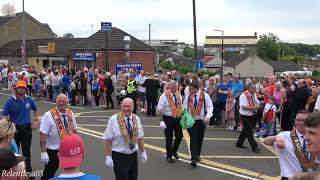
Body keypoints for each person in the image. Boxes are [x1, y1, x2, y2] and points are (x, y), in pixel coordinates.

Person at [263, 110, 318, 179]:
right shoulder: (285, 135)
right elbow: (266, 141)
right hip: (289, 178)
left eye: (304, 120)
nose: (300, 123)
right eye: (298, 120)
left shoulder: (315, 138)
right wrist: (275, 138)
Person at [103, 98, 147, 180]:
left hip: (133, 156)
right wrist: (108, 156)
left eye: (128, 106)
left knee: (133, 178)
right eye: (124, 106)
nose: (126, 108)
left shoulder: (136, 118)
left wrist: (143, 151)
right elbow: (108, 139)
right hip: (119, 156)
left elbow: (140, 137)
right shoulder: (113, 119)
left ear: (133, 107)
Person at [1, 80, 39, 175]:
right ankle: (15, 172)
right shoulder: (10, 101)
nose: (21, 89)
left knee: (26, 151)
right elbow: (4, 115)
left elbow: (36, 109)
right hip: (14, 129)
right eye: (19, 88)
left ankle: (28, 172)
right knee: (14, 151)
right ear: (16, 89)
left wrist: (36, 121)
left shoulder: (29, 99)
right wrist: (7, 127)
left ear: (26, 89)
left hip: (26, 128)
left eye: (23, 88)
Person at [40, 94, 78, 180]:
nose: (61, 103)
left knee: (70, 172)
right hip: (53, 150)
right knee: (49, 173)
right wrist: (43, 152)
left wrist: (78, 146)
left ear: (67, 102)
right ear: (56, 102)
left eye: (63, 101)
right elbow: (43, 134)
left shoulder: (70, 113)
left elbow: (75, 130)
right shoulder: (48, 115)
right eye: (59, 101)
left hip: (68, 149)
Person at [183, 81, 213, 167]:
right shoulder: (188, 96)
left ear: (196, 88)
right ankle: (194, 157)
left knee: (200, 138)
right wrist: (185, 113)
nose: (189, 90)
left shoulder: (204, 96)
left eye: (191, 89)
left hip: (201, 120)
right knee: (193, 138)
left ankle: (198, 154)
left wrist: (208, 116)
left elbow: (210, 107)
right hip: (191, 121)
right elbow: (184, 107)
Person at [157, 80, 183, 163]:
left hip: (178, 117)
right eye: (173, 87)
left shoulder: (178, 94)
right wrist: (161, 121)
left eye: (176, 87)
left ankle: (174, 150)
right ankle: (169, 155)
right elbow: (160, 109)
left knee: (180, 135)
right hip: (168, 118)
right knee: (169, 137)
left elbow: (181, 105)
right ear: (169, 87)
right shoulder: (164, 95)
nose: (175, 89)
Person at [236, 83, 261, 153]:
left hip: (251, 114)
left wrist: (258, 105)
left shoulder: (253, 95)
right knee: (249, 131)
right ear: (249, 89)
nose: (255, 90)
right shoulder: (243, 95)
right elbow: (243, 107)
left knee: (245, 130)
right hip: (244, 115)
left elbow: (258, 102)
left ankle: (239, 143)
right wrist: (254, 107)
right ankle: (254, 147)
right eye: (254, 89)